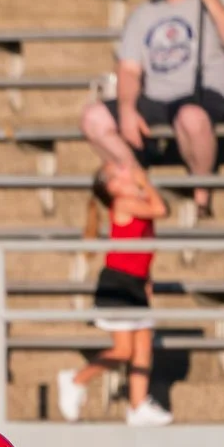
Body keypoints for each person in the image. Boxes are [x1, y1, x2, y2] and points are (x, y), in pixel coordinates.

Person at [80, 0, 224, 219]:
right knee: (93, 117)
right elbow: (128, 69)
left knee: (191, 117)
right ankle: (139, 183)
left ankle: (201, 194)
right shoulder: (144, 13)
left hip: (209, 93)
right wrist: (126, 110)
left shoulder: (221, 2)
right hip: (159, 96)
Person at [59, 165, 172, 427]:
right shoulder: (123, 201)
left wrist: (147, 277)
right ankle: (76, 379)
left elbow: (143, 244)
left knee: (143, 347)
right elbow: (161, 210)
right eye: (119, 171)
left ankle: (138, 404)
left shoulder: (136, 201)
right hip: (118, 282)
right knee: (124, 350)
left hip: (135, 282)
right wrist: (145, 182)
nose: (128, 171)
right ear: (112, 186)